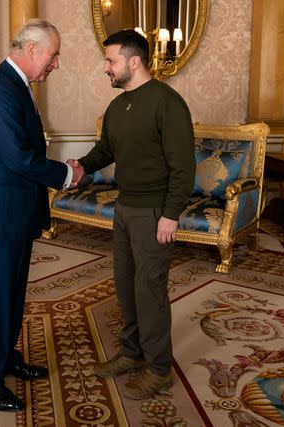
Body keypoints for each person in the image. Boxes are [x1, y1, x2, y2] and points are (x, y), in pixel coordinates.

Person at [0, 19, 83, 412]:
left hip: (14, 212)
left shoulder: (17, 85)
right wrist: (65, 174)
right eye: (54, 55)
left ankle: (5, 357)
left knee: (13, 294)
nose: (56, 64)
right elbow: (18, 157)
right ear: (32, 50)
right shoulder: (0, 90)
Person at [69, 29, 195, 400]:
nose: (105, 68)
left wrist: (171, 214)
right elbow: (105, 149)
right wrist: (81, 167)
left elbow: (183, 167)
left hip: (154, 211)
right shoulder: (117, 106)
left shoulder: (167, 103)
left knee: (150, 289)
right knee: (125, 284)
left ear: (134, 61)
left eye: (111, 60)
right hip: (125, 207)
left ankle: (158, 369)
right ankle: (131, 352)